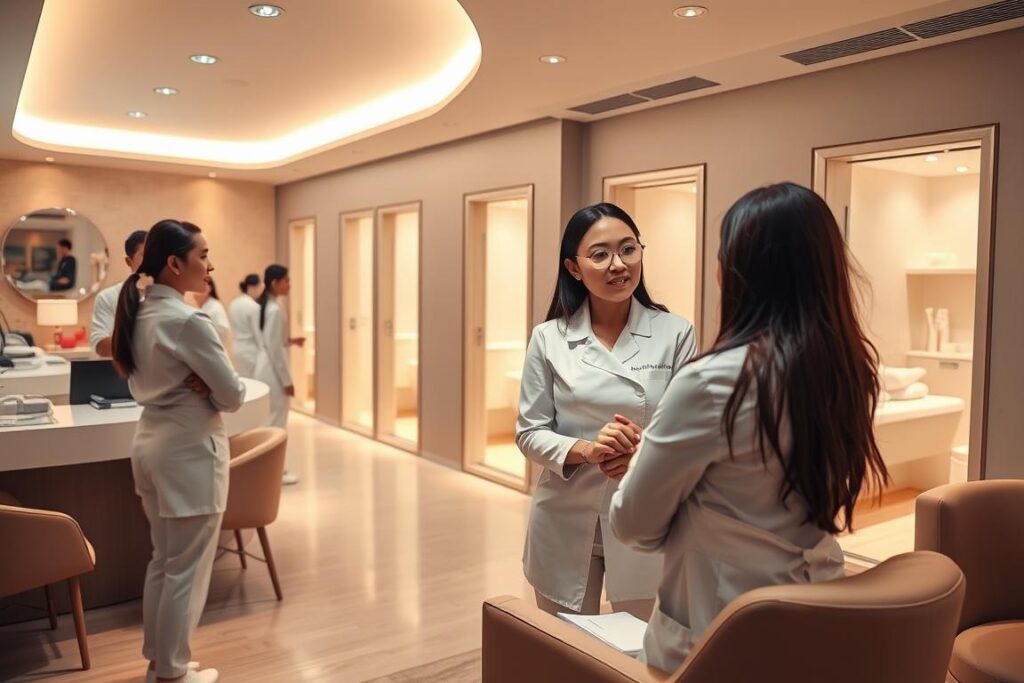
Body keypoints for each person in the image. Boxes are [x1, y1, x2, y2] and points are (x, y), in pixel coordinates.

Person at [610, 182, 891, 672]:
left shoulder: (713, 382)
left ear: (738, 273)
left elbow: (633, 524)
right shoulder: (848, 371)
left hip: (722, 637)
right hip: (817, 621)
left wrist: (644, 471)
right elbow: (758, 486)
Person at [516, 202, 697, 619]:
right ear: (574, 268)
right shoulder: (549, 338)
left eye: (628, 249)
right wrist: (587, 450)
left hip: (645, 509)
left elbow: (688, 432)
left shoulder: (675, 333)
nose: (618, 264)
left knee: (640, 655)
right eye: (599, 254)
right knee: (566, 653)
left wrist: (639, 454)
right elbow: (529, 431)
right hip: (564, 514)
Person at [112, 219, 245, 683]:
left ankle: (160, 659)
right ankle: (171, 672)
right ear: (174, 264)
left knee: (164, 561)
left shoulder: (140, 313)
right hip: (188, 451)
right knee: (186, 568)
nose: (210, 265)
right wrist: (211, 385)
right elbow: (231, 395)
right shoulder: (188, 321)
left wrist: (206, 382)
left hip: (150, 445)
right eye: (203, 255)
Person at [253, 264, 304, 485]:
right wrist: (287, 381)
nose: (289, 284)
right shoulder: (273, 309)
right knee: (276, 422)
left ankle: (270, 469)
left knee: (272, 420)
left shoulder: (272, 305)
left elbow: (274, 341)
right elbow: (274, 349)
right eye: (286, 280)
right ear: (275, 283)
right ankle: (274, 471)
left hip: (267, 367)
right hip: (273, 371)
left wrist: (291, 341)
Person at [91, 230, 147, 357]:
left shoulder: (169, 294)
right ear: (129, 261)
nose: (153, 261)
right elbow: (101, 346)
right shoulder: (108, 297)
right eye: (145, 255)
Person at [227, 274, 261, 377]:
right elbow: (258, 333)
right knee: (255, 383)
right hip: (251, 349)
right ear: (252, 287)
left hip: (237, 347)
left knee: (243, 379)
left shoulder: (233, 304)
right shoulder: (254, 307)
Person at [193, 278, 231, 347]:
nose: (195, 290)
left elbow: (223, 329)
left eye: (199, 285)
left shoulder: (214, 307)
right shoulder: (205, 307)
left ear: (209, 288)